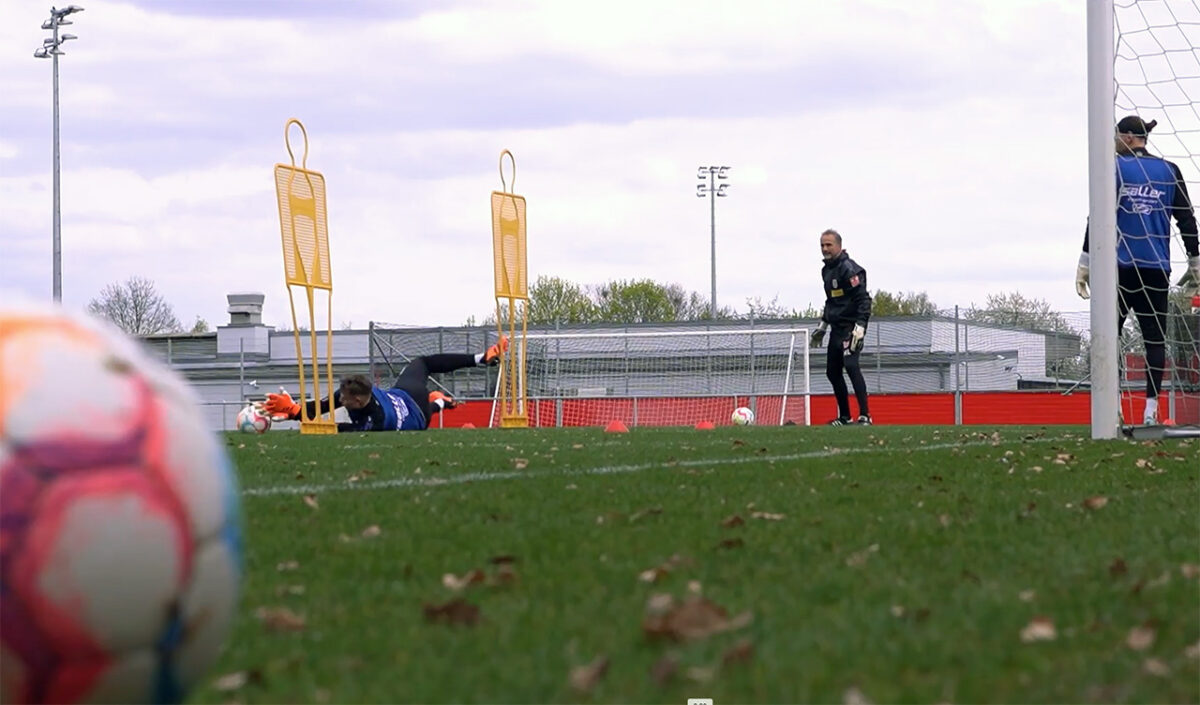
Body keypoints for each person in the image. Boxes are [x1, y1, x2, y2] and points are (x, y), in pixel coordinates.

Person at [1075, 115, 1200, 425]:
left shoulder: (1114, 167)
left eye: (1117, 135)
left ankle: (1112, 409)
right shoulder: (1170, 170)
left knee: (1109, 336)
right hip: (1156, 269)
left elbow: (1096, 216)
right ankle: (1150, 412)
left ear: (1129, 137)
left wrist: (1085, 262)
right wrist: (1195, 260)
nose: (1114, 141)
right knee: (1155, 340)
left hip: (1117, 269)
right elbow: (1186, 218)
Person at [262, 336, 508, 432]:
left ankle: (476, 364)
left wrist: (307, 424)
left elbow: (339, 429)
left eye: (345, 400)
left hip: (416, 412)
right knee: (422, 365)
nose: (341, 401)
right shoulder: (349, 392)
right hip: (400, 393)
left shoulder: (376, 420)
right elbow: (319, 409)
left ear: (359, 400)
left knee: (424, 373)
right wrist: (295, 410)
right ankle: (442, 398)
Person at [810, 229, 873, 425]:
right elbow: (831, 301)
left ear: (839, 246)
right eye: (822, 245)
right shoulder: (826, 271)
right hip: (836, 329)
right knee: (832, 372)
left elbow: (863, 300)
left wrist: (860, 327)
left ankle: (865, 415)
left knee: (851, 366)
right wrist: (823, 326)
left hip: (850, 328)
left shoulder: (850, 269)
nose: (825, 248)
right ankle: (845, 417)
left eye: (828, 245)